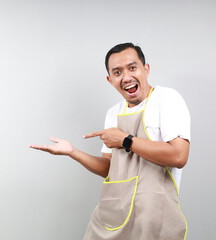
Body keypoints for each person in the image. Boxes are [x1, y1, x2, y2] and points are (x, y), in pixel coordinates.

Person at [30, 43, 191, 240]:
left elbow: (179, 155)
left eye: (132, 68)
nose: (126, 77)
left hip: (154, 217)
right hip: (115, 214)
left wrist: (126, 140)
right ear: (110, 79)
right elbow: (109, 169)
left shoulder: (166, 99)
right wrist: (73, 152)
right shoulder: (113, 113)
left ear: (146, 69)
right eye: (117, 72)